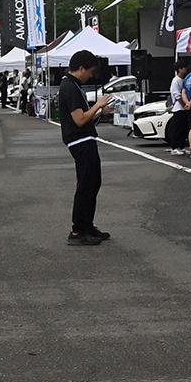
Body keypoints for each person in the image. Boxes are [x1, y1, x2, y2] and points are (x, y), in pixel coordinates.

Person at [61, 49, 114, 245]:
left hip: (84, 139)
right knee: (86, 184)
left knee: (93, 182)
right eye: (90, 71)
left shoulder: (72, 85)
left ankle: (87, 225)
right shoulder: (70, 87)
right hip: (80, 141)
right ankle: (77, 230)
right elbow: (80, 119)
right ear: (81, 68)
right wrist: (98, 105)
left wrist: (100, 112)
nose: (91, 75)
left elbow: (85, 117)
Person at [166, 63, 191, 154]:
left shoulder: (184, 79)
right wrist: (183, 104)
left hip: (184, 108)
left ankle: (181, 146)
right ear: (179, 69)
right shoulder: (175, 80)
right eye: (184, 67)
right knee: (177, 129)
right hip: (178, 108)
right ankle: (174, 147)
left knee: (183, 128)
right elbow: (176, 95)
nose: (186, 69)